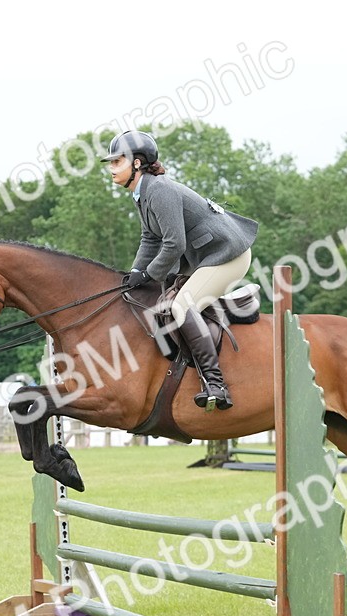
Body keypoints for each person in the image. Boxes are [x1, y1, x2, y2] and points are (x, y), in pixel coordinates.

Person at [101, 130, 259, 410]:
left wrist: (149, 274)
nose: (111, 168)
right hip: (205, 257)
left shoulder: (158, 190)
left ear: (136, 163)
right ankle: (227, 310)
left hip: (227, 255)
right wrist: (134, 273)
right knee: (162, 299)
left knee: (181, 306)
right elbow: (150, 239)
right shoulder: (142, 193)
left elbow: (174, 244)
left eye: (117, 162)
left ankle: (216, 384)